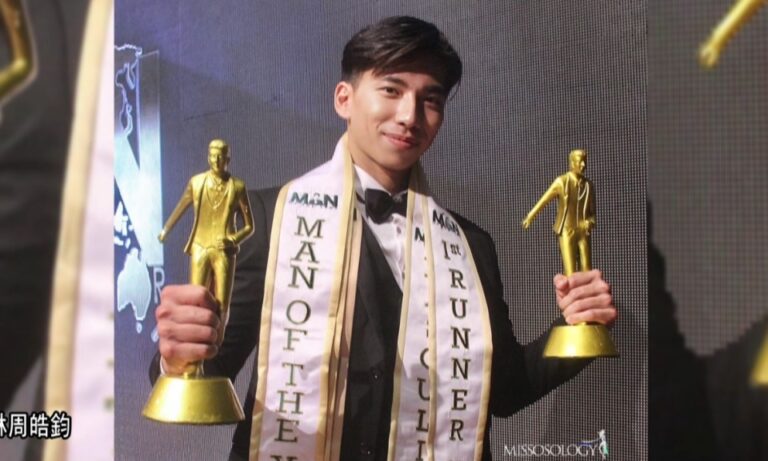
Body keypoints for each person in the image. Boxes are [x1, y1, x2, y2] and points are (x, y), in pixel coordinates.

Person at [150, 16, 617, 461]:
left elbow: (506, 391)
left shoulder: (469, 245)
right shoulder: (270, 218)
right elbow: (209, 369)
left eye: (430, 100)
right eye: (391, 90)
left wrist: (578, 328)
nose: (410, 115)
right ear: (344, 99)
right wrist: (178, 356)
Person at [158, 139, 254, 349]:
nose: (216, 160)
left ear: (228, 159)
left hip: (223, 251)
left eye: (220, 156)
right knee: (196, 299)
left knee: (222, 303)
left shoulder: (237, 186)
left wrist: (233, 239)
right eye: (212, 156)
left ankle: (216, 345)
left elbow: (249, 226)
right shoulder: (197, 182)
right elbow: (181, 207)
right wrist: (166, 229)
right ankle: (196, 350)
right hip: (200, 246)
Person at [523, 149, 595, 276]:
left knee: (587, 272)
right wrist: (530, 216)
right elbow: (544, 200)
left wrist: (589, 222)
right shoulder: (561, 182)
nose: (583, 165)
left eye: (585, 162)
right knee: (570, 273)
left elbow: (592, 214)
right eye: (580, 162)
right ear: (572, 163)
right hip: (567, 231)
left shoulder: (589, 185)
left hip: (583, 232)